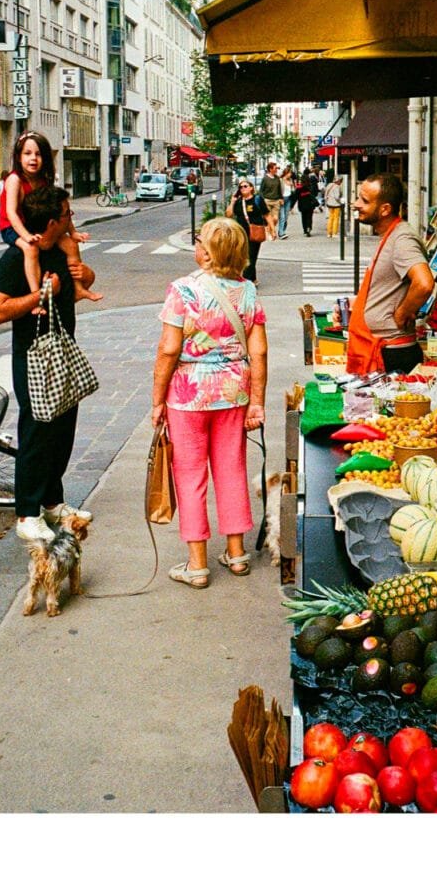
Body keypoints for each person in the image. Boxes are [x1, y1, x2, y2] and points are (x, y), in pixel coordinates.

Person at [151, 217, 268, 588]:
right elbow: (259, 350)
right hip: (234, 391)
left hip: (188, 393)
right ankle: (236, 555)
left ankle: (197, 564)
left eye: (199, 241)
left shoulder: (182, 290)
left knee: (190, 474)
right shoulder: (248, 291)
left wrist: (157, 400)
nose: (196, 246)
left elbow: (169, 349)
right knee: (231, 468)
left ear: (207, 252)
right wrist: (257, 402)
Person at [0, 186, 96, 543]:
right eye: (67, 216)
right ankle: (27, 513)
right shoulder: (17, 257)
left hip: (63, 349)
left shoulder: (62, 250)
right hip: (34, 356)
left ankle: (53, 502)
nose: (71, 221)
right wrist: (40, 294)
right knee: (37, 432)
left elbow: (85, 280)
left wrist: (83, 275)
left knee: (62, 427)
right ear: (51, 221)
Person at [346, 172, 436, 376]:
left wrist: (402, 312)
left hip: (392, 354)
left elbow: (424, 284)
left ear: (385, 209)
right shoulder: (391, 236)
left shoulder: (402, 238)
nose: (356, 204)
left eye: (365, 201)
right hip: (384, 349)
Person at [0, 132, 103, 303]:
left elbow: (60, 209)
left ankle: (78, 288)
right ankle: (36, 294)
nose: (33, 158)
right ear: (18, 157)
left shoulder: (43, 180)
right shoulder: (14, 180)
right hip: (12, 227)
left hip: (35, 226)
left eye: (38, 154)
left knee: (70, 245)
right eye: (27, 153)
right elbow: (10, 214)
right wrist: (26, 237)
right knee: (30, 249)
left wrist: (73, 232)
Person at [226, 177, 269, 283]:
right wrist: (232, 202)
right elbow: (229, 214)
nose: (242, 188)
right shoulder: (238, 202)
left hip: (255, 233)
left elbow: (267, 215)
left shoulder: (257, 199)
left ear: (251, 188)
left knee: (251, 256)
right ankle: (253, 279)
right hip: (241, 233)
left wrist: (271, 229)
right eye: (240, 187)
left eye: (245, 186)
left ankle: (246, 281)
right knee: (246, 256)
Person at [258, 161, 282, 240]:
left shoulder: (277, 178)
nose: (276, 170)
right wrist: (262, 200)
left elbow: (279, 189)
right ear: (270, 169)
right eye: (275, 168)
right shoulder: (265, 179)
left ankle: (269, 230)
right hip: (267, 200)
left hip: (276, 200)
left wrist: (281, 198)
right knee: (269, 218)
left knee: (275, 218)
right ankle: (271, 232)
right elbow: (261, 190)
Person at [296, 166, 319, 236]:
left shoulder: (299, 188)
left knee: (303, 217)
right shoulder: (310, 186)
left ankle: (305, 229)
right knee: (309, 217)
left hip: (302, 205)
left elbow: (296, 196)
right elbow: (315, 193)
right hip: (310, 204)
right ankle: (309, 227)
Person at [323, 172, 343, 237]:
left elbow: (325, 193)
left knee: (330, 218)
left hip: (329, 204)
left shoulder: (329, 185)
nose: (341, 182)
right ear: (339, 181)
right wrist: (341, 201)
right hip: (336, 205)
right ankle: (334, 233)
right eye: (341, 181)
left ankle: (329, 233)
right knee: (336, 218)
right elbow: (337, 197)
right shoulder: (337, 187)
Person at [277, 166, 294, 239]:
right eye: (289, 173)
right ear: (286, 173)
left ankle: (283, 231)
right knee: (282, 217)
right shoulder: (280, 180)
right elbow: (278, 190)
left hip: (288, 199)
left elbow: (293, 190)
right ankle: (281, 233)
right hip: (282, 199)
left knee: (286, 217)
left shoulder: (291, 180)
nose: (290, 175)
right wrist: (279, 198)